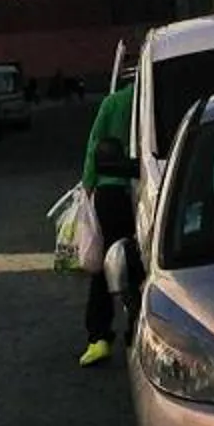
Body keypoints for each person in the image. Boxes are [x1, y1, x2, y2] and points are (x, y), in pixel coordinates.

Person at [77, 66, 138, 365]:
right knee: (143, 265)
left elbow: (94, 146)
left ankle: (99, 336)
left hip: (111, 193)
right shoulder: (157, 98)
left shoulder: (113, 103)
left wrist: (88, 187)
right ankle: (137, 328)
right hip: (154, 187)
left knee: (107, 264)